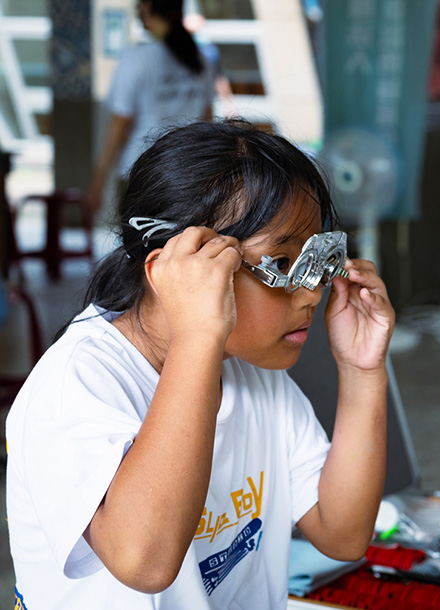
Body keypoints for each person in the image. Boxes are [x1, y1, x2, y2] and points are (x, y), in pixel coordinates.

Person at [6, 120, 395, 608]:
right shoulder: (76, 383)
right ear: (173, 271)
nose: (312, 293)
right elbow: (145, 563)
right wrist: (196, 335)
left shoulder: (254, 376)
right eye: (280, 264)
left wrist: (362, 372)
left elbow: (343, 533)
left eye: (316, 261)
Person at [87, 0, 215, 216]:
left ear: (147, 8)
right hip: (187, 171)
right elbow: (207, 121)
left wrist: (99, 179)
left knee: (138, 236)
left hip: (140, 170)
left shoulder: (136, 59)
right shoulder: (200, 59)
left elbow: (119, 124)